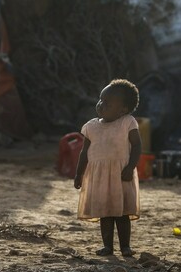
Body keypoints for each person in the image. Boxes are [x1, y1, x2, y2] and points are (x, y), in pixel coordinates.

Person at [74, 79, 142, 257]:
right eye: (100, 100)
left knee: (122, 213)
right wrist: (78, 174)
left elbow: (137, 146)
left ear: (123, 110)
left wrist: (130, 167)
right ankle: (108, 247)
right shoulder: (91, 127)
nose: (101, 105)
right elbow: (84, 153)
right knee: (105, 213)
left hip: (121, 175)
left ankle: (125, 247)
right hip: (99, 177)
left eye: (108, 103)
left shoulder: (128, 122)